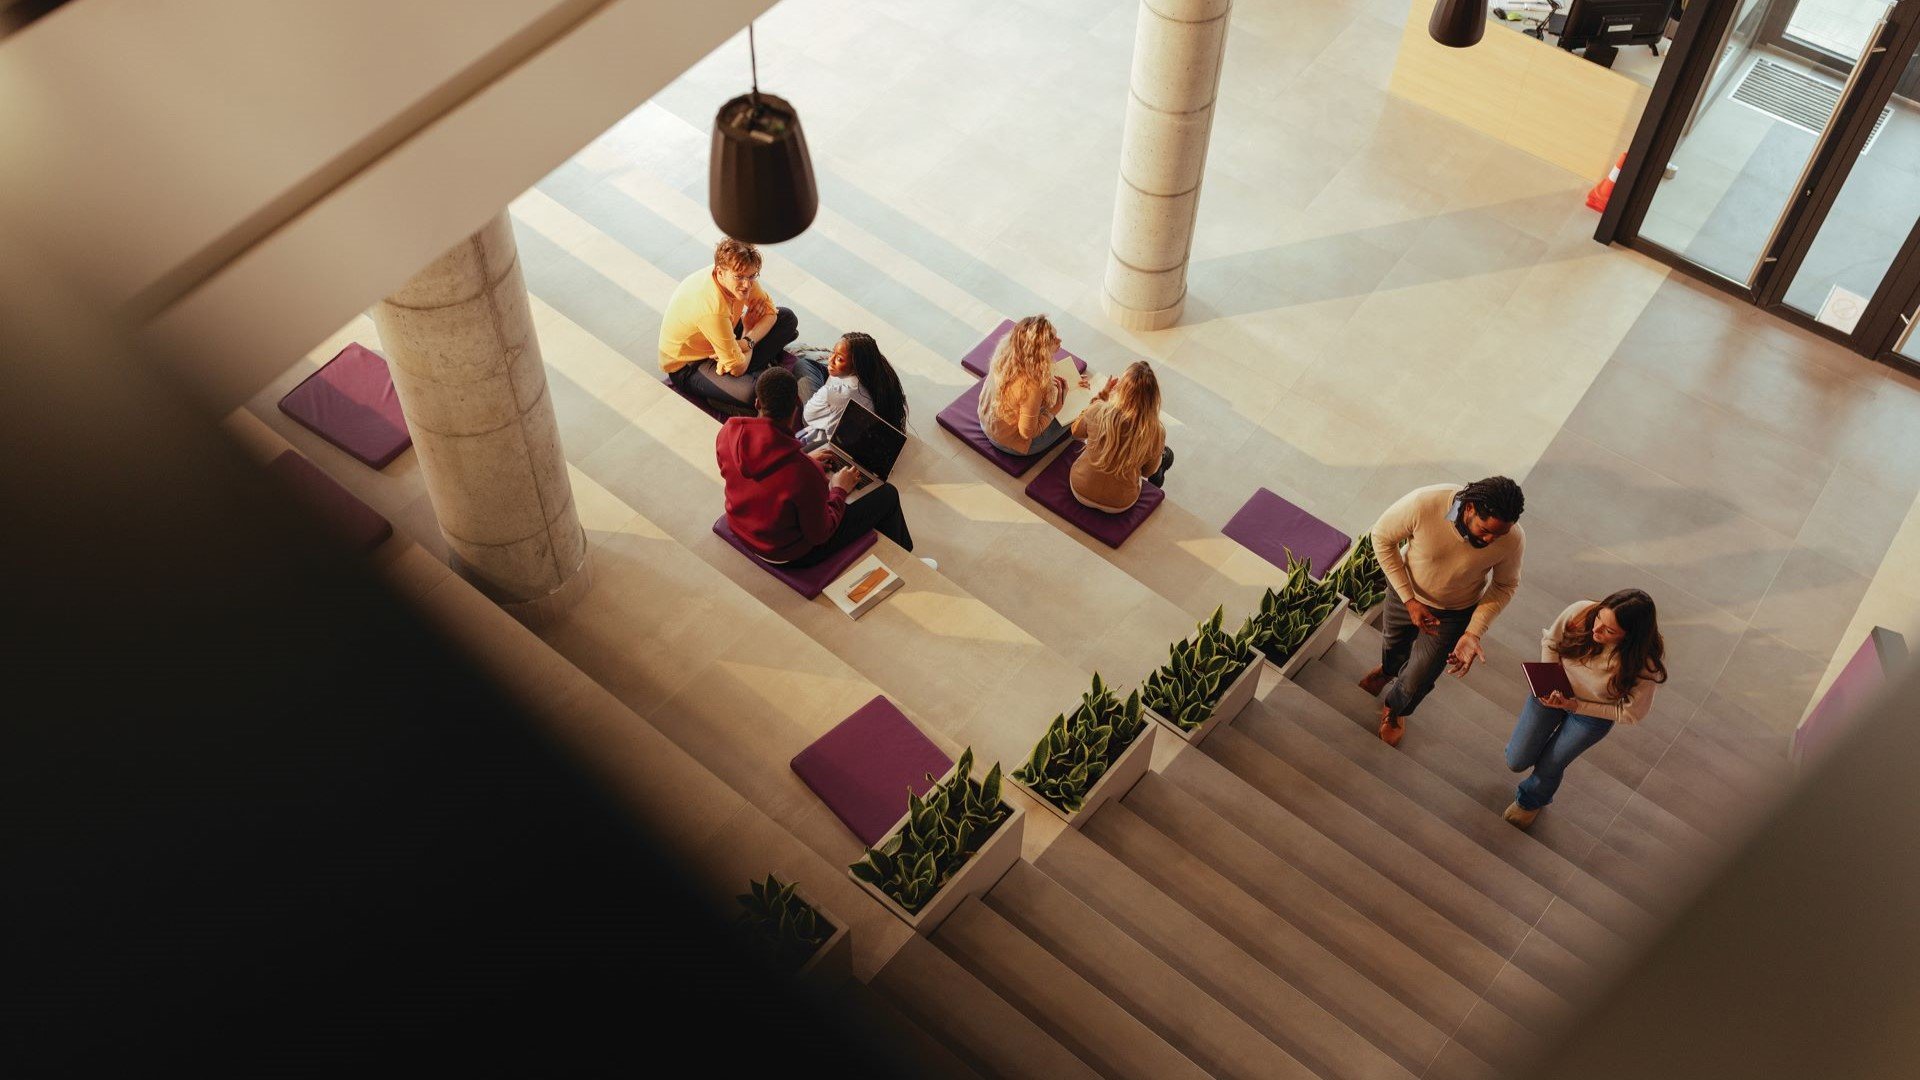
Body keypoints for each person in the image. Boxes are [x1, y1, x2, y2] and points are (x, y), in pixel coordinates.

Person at [1357, 477, 1526, 747]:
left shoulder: (1513, 539)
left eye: (1499, 535)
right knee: (1393, 644)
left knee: (1418, 678)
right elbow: (1382, 537)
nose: (1491, 540)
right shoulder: (1424, 503)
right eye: (1485, 530)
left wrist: (1473, 632)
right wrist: (1409, 600)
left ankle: (1395, 709)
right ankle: (1387, 671)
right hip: (1406, 594)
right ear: (1469, 508)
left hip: (1452, 613)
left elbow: (1504, 585)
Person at [716, 368, 915, 568]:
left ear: (758, 403)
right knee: (887, 495)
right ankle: (907, 562)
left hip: (739, 525)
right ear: (797, 404)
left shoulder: (728, 431)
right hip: (783, 553)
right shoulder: (805, 473)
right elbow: (820, 533)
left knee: (816, 449)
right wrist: (839, 490)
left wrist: (802, 460)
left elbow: (763, 477)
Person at [1503, 589, 1668, 830]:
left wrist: (1576, 706)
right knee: (1516, 760)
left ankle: (1530, 801)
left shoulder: (1643, 664)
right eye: (1599, 617)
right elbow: (1551, 641)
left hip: (1591, 716)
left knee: (1551, 765)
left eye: (1609, 631)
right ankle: (1527, 751)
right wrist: (1550, 682)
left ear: (1630, 636)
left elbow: (1631, 713)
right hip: (1551, 692)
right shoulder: (1581, 612)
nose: (1596, 629)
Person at [659, 237, 800, 414]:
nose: (747, 285)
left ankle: (735, 369)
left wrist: (744, 343)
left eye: (752, 276)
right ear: (720, 272)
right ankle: (721, 390)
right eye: (739, 277)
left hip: (727, 332)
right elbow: (738, 368)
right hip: (690, 365)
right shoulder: (712, 308)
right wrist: (748, 332)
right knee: (754, 393)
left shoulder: (739, 270)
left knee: (787, 318)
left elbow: (770, 313)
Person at [1069, 360, 1173, 513]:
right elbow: (1147, 472)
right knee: (1165, 454)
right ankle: (1162, 461)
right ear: (1152, 399)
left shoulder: (1098, 410)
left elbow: (1076, 432)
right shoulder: (1156, 432)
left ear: (1121, 388)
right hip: (1119, 503)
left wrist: (1102, 396)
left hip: (1080, 489)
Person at [979, 314, 1082, 457]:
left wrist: (1072, 379)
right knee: (1080, 410)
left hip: (987, 423)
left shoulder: (1005, 353)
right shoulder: (1031, 387)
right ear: (1040, 352)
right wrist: (1053, 410)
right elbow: (1027, 433)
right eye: (1052, 339)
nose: (1059, 340)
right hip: (1011, 443)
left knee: (1052, 399)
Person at [792, 331, 909, 447]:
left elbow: (807, 417)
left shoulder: (835, 393)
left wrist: (825, 395)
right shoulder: (878, 374)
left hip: (830, 435)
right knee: (809, 365)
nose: (830, 359)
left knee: (802, 365)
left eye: (839, 359)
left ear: (856, 365)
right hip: (847, 421)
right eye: (833, 352)